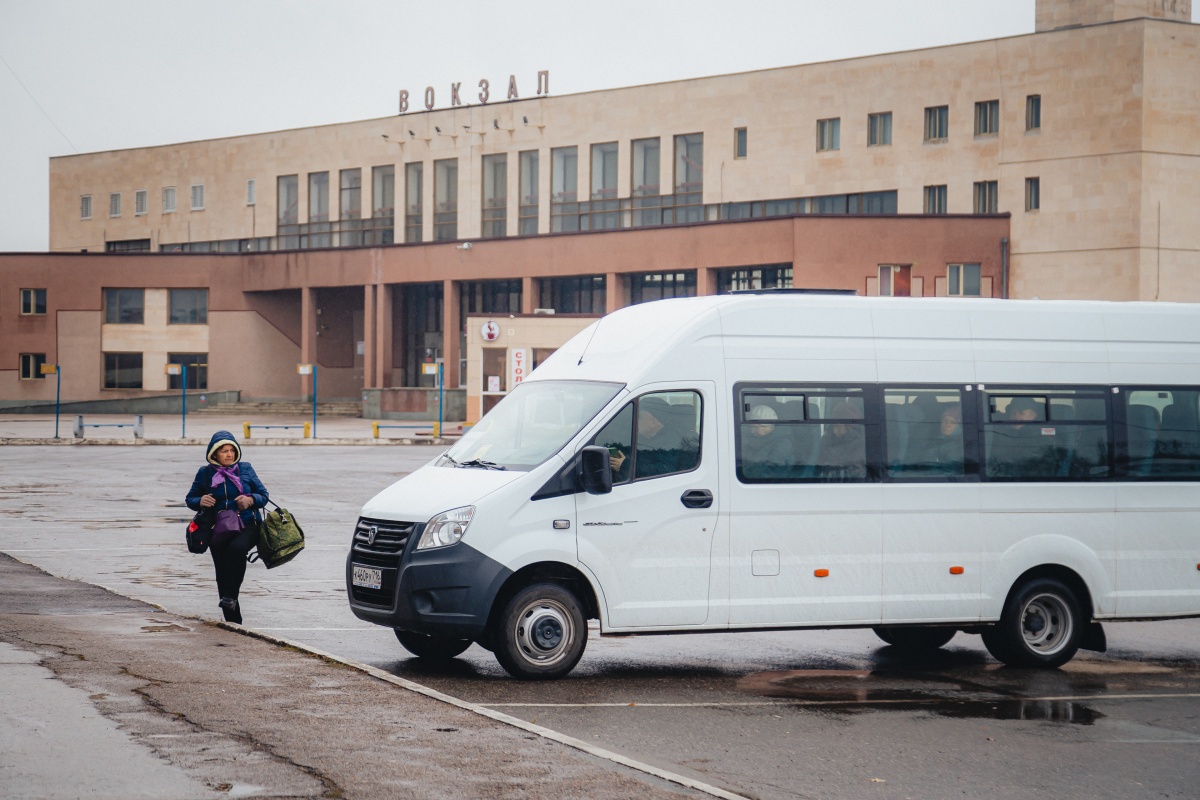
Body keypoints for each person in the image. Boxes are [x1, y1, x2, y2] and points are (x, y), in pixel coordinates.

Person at [185, 430, 269, 624]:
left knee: (237, 549)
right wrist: (200, 501)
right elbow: (190, 499)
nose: (229, 455)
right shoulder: (205, 473)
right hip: (218, 529)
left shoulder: (245, 469)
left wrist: (250, 499)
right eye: (224, 451)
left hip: (248, 524)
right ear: (214, 454)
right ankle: (234, 624)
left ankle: (231, 597)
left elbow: (264, 495)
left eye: (232, 450)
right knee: (222, 574)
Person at [608, 396, 699, 480]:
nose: (635, 421)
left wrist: (625, 465)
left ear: (653, 422)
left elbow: (664, 469)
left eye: (640, 417)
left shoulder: (675, 441)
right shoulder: (650, 439)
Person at [817, 401, 867, 481]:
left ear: (849, 427)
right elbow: (819, 465)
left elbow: (859, 473)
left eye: (839, 426)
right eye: (834, 426)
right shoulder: (826, 440)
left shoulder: (859, 444)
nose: (835, 431)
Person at [740, 405, 794, 480]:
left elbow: (769, 473)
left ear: (767, 426)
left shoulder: (783, 444)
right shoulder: (754, 440)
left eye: (755, 427)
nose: (752, 431)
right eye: (751, 427)